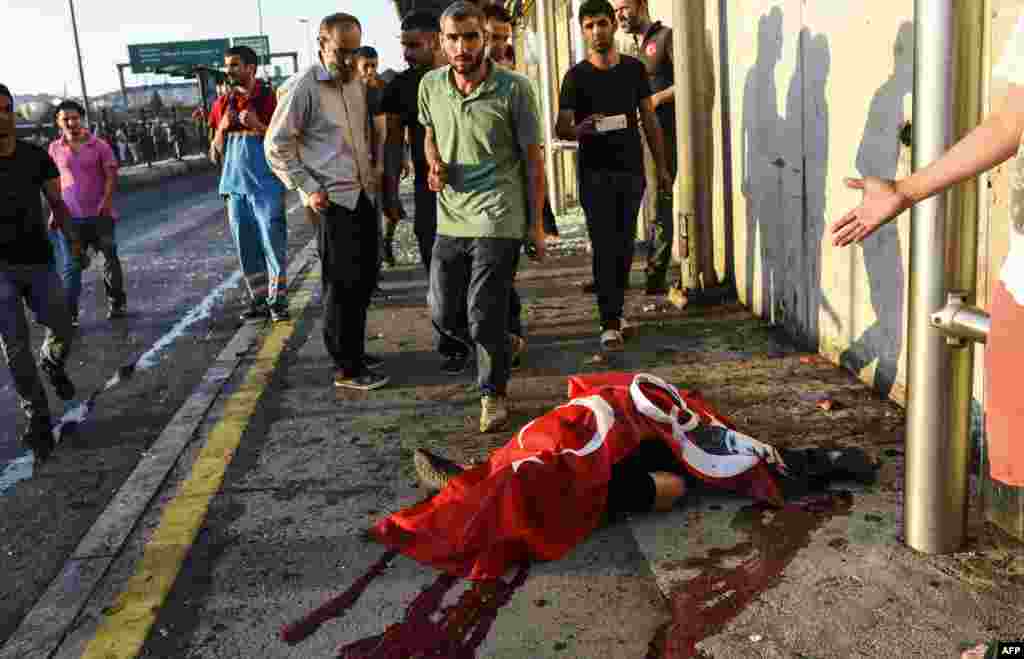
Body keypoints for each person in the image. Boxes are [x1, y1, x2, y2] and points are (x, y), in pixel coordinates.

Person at [418, 1, 547, 432]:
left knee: (483, 310)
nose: (461, 46)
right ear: (441, 42)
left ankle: (493, 394)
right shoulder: (431, 86)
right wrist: (434, 165)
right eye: (452, 38)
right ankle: (503, 343)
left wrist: (535, 225)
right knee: (442, 312)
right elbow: (431, 136)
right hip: (451, 216)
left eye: (470, 37)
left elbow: (533, 160)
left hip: (499, 213)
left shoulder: (515, 89)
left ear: (486, 39)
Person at [266, 12, 390, 391]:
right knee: (342, 284)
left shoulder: (354, 82)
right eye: (342, 53)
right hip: (334, 201)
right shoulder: (304, 86)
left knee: (366, 277)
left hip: (363, 195)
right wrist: (307, 187)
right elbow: (276, 145)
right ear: (321, 44)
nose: (351, 61)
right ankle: (346, 368)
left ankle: (354, 350)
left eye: (355, 52)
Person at [555, 0, 671, 352]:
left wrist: (662, 167)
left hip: (630, 169)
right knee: (604, 244)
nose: (597, 32)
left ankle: (616, 313)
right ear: (582, 30)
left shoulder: (634, 70)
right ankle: (608, 321)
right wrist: (580, 129)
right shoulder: (575, 76)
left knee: (622, 246)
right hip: (594, 172)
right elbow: (562, 126)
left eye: (602, 24)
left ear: (612, 25)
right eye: (589, 26)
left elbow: (649, 119)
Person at [0, 83, 77, 462]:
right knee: (15, 348)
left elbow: (57, 202)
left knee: (62, 325)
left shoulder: (34, 157)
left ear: (12, 112)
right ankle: (38, 417)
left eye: (4, 109)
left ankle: (53, 360)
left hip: (37, 259)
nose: (0, 117)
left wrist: (71, 241)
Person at [209, 45, 290, 322]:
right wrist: (221, 130)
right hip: (234, 188)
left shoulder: (270, 100)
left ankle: (277, 301)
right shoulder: (221, 104)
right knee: (247, 247)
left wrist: (258, 126)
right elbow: (214, 152)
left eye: (234, 65)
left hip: (266, 185)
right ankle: (258, 300)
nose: (229, 70)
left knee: (273, 243)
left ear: (250, 68)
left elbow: (285, 142)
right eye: (227, 65)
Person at [613, 0, 677, 295]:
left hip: (662, 135)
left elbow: (686, 83)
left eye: (624, 7)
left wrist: (654, 100)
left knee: (658, 203)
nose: (620, 15)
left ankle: (656, 275)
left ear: (641, 4)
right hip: (633, 136)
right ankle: (618, 273)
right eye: (615, 11)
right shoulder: (631, 49)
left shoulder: (667, 37)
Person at [48, 100, 128, 325]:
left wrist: (107, 201)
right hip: (69, 219)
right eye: (66, 119)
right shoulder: (54, 148)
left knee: (109, 259)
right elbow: (54, 183)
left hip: (100, 215)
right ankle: (70, 314)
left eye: (75, 118)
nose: (71, 123)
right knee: (72, 266)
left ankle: (116, 302)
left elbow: (112, 176)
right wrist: (55, 212)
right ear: (58, 122)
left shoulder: (99, 145)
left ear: (81, 119)